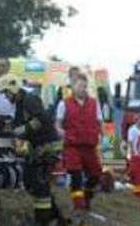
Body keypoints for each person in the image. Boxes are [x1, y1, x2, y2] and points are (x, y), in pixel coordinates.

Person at [1, 75, 67, 225]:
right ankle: (57, 219)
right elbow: (18, 126)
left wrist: (22, 130)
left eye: (6, 92)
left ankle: (42, 221)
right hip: (38, 150)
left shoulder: (30, 100)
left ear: (14, 89)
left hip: (48, 148)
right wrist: (8, 128)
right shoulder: (19, 105)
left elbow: (41, 119)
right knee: (30, 182)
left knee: (39, 185)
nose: (5, 96)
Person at [55, 73, 102, 213]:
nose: (83, 89)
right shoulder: (64, 103)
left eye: (85, 86)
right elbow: (58, 123)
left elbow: (99, 121)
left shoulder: (94, 103)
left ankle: (87, 197)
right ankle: (78, 206)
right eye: (80, 86)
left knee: (96, 174)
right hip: (72, 146)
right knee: (75, 176)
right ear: (73, 87)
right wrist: (60, 131)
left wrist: (99, 133)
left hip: (90, 146)